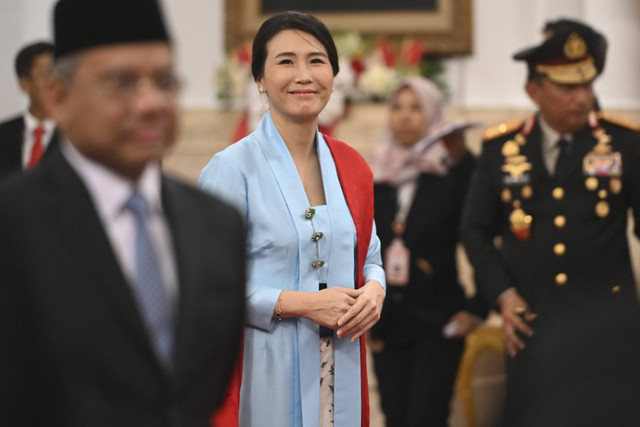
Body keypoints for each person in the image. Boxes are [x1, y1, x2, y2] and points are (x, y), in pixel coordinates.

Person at [0, 0, 245, 425]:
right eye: (123, 83)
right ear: (58, 97)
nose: (151, 103)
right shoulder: (14, 224)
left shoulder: (216, 224)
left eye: (165, 81)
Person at [198, 11, 386, 427]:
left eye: (317, 60)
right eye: (286, 61)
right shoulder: (231, 168)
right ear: (260, 79)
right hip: (262, 365)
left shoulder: (351, 165)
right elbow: (207, 286)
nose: (304, 74)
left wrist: (375, 291)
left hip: (342, 362)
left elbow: (370, 257)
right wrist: (303, 304)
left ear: (334, 75)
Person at [460, 22, 640, 426]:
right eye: (567, 87)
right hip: (533, 325)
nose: (582, 98)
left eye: (587, 85)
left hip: (610, 327)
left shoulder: (624, 144)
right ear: (533, 91)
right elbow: (475, 230)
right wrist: (504, 294)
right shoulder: (501, 150)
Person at [368, 77, 487, 427]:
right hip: (387, 323)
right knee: (395, 416)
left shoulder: (452, 175)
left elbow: (482, 235)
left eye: (416, 108)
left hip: (438, 321)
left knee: (426, 417)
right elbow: (358, 247)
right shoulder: (376, 176)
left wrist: (477, 308)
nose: (404, 117)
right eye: (397, 107)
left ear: (434, 115)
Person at [0, 41, 59, 180]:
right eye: (47, 75)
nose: (56, 82)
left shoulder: (77, 135)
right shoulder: (2, 135)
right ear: (24, 84)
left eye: (60, 73)